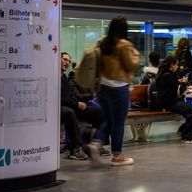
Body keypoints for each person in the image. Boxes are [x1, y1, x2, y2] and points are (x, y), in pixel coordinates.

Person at [88, 16, 140, 166]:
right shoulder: (124, 45)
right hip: (119, 88)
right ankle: (117, 156)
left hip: (103, 88)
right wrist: (135, 54)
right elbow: (131, 65)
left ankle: (96, 142)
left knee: (109, 120)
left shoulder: (104, 42)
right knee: (118, 123)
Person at [60, 52, 106, 160]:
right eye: (65, 60)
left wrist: (79, 104)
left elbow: (71, 97)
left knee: (100, 112)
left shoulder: (64, 77)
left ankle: (95, 144)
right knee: (69, 113)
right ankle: (76, 148)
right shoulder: (56, 77)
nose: (67, 63)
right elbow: (59, 99)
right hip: (60, 107)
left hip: (73, 106)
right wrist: (77, 104)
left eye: (69, 61)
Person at [157, 55, 192, 143]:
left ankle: (182, 130)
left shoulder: (163, 74)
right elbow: (179, 92)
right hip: (171, 103)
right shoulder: (170, 76)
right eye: (176, 65)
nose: (177, 67)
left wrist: (177, 82)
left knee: (191, 110)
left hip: (165, 102)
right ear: (172, 65)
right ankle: (187, 137)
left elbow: (171, 86)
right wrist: (184, 83)